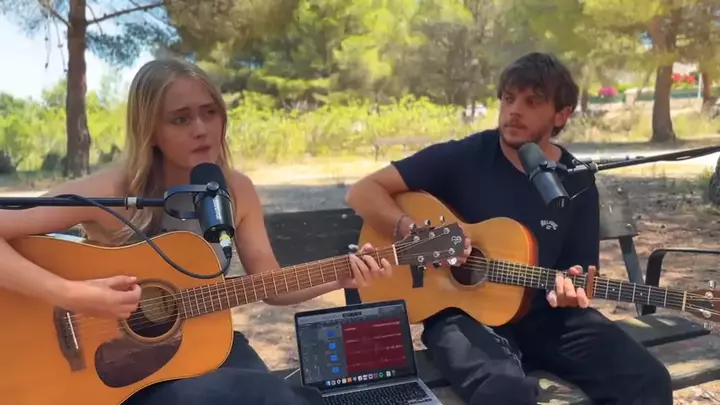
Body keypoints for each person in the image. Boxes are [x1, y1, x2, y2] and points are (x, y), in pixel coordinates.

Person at [0, 58, 393, 405]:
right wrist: (73, 295)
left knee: (286, 399)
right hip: (119, 371)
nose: (202, 129)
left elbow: (271, 285)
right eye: (181, 119)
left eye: (210, 112)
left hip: (204, 345)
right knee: (264, 396)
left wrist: (340, 275)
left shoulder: (236, 190)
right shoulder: (112, 191)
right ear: (150, 129)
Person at [345, 52, 672, 405]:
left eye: (532, 102)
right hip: (462, 315)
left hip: (547, 316)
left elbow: (577, 273)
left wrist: (569, 292)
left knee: (648, 381)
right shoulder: (464, 157)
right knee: (504, 392)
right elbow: (364, 191)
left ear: (561, 114)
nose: (514, 110)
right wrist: (413, 233)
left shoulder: (576, 181)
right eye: (508, 98)